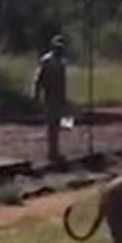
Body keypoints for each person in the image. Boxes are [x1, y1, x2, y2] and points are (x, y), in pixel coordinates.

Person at [32, 33, 70, 169]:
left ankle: (55, 150)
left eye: (61, 47)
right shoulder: (46, 60)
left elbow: (64, 81)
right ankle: (51, 151)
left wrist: (65, 98)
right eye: (57, 47)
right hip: (49, 95)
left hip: (59, 96)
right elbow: (38, 78)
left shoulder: (63, 62)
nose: (59, 49)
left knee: (58, 124)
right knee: (51, 124)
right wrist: (36, 94)